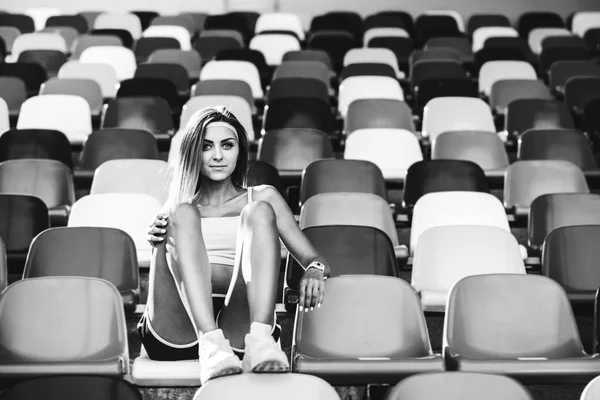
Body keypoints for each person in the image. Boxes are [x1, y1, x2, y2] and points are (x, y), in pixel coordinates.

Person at [140, 106, 331, 385]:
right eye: (207, 147)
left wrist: (314, 270)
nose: (218, 155)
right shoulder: (178, 205)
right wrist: (158, 241)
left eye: (227, 145)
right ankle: (210, 343)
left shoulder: (263, 196)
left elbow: (315, 259)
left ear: (239, 151)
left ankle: (261, 340)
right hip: (176, 327)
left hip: (239, 322)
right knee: (182, 212)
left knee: (258, 211)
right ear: (194, 152)